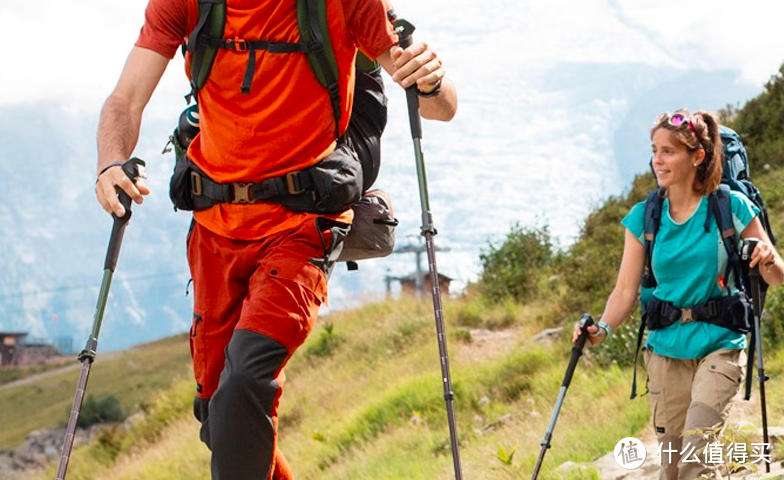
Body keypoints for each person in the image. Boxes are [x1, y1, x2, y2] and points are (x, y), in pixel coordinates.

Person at [93, 0, 458, 478]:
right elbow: (125, 100)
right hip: (213, 230)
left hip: (302, 224)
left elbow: (439, 107)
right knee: (218, 416)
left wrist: (431, 79)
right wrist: (110, 162)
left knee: (244, 381)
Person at [573, 109, 783, 480]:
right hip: (665, 352)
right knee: (673, 469)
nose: (658, 160)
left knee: (695, 458)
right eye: (655, 150)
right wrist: (601, 329)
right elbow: (624, 290)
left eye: (669, 151)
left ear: (697, 156)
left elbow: (777, 276)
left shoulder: (730, 206)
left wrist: (766, 258)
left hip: (720, 345)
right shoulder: (644, 217)